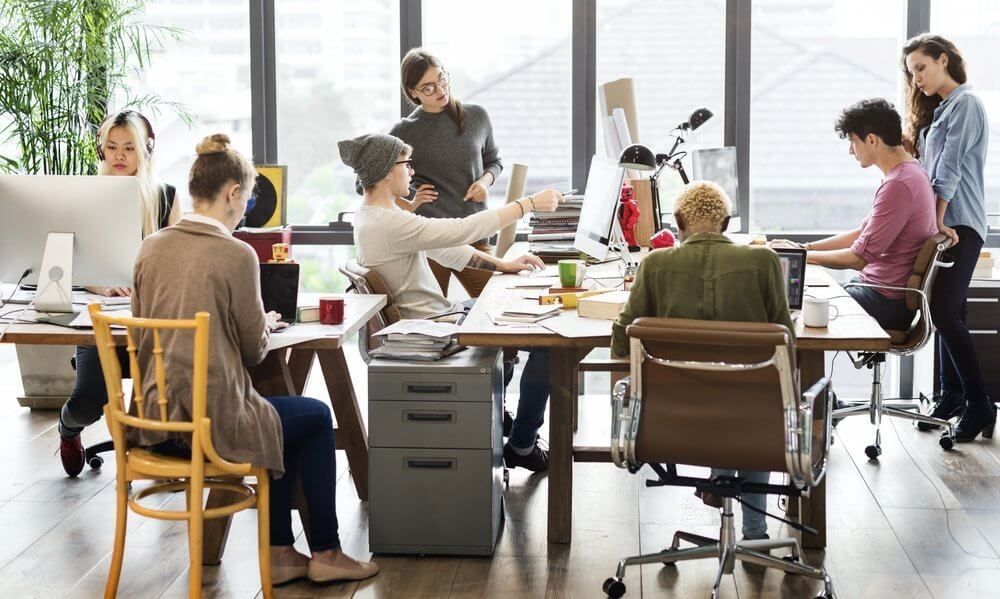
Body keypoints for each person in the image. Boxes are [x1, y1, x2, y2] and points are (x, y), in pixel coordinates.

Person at [130, 134, 378, 585]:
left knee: (274, 415)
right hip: (210, 425)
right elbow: (253, 351)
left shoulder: (151, 247)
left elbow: (146, 328)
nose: (245, 209)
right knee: (314, 415)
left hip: (153, 420)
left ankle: (283, 553)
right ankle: (326, 550)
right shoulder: (236, 253)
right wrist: (261, 323)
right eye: (246, 198)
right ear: (231, 194)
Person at [338, 132, 561, 471]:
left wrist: (502, 265)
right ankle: (523, 444)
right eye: (406, 164)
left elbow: (443, 246)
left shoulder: (373, 216)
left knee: (514, 313)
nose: (411, 172)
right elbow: (460, 230)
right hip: (434, 330)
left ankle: (502, 420)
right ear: (386, 171)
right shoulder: (388, 222)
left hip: (440, 318)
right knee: (548, 343)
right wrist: (526, 204)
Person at [612, 181, 793, 542]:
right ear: (726, 223)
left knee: (725, 399)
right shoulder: (764, 260)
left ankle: (719, 484)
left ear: (678, 221)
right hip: (752, 418)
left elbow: (621, 340)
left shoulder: (656, 264)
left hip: (674, 419)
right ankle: (755, 531)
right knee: (756, 400)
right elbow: (787, 343)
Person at [58, 110, 182, 477]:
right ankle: (68, 429)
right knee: (87, 403)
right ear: (101, 150)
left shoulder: (164, 197)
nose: (119, 156)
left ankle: (163, 453)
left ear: (145, 151)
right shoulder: (85, 196)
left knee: (170, 388)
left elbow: (180, 260)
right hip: (100, 316)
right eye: (111, 147)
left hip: (150, 319)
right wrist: (96, 283)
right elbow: (67, 260)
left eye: (129, 148)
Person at [777, 98, 937, 333]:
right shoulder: (908, 174)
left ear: (871, 140)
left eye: (853, 141)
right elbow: (862, 234)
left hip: (884, 302)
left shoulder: (899, 185)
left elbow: (858, 259)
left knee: (789, 308)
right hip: (877, 292)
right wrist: (806, 248)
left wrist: (800, 256)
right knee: (802, 296)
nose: (851, 150)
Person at [903, 34, 993, 441]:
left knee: (944, 310)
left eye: (921, 67)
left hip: (961, 226)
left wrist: (937, 224)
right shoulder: (942, 111)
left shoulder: (967, 104)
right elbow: (929, 170)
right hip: (946, 227)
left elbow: (950, 171)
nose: (917, 78)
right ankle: (951, 394)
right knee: (948, 310)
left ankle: (979, 405)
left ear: (944, 60)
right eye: (912, 73)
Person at [390, 48, 503, 299]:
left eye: (441, 79)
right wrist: (411, 196)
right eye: (428, 88)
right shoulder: (404, 131)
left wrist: (485, 182)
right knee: (432, 320)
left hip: (475, 232)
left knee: (494, 305)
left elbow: (494, 162)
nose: (440, 90)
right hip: (431, 240)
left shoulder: (477, 116)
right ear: (412, 93)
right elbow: (369, 181)